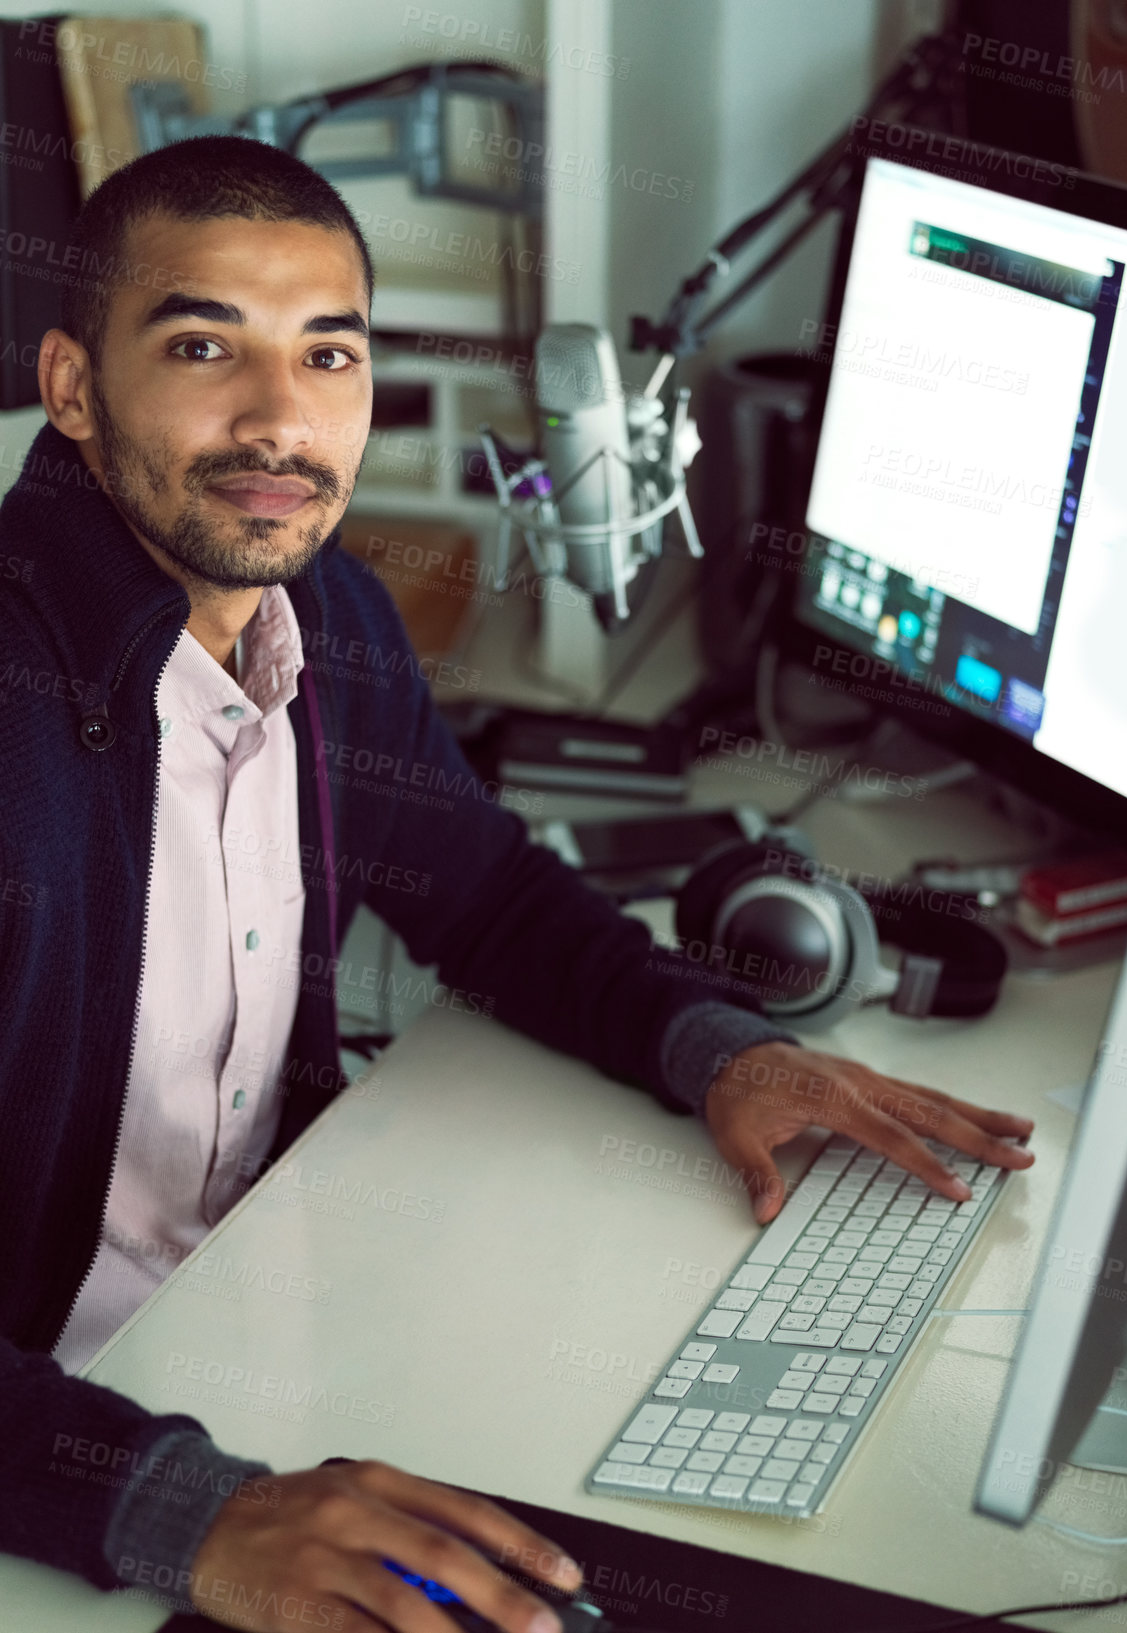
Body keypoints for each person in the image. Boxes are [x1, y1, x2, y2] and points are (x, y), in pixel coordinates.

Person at [0, 135, 1034, 1632]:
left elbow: (486, 894)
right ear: (76, 387)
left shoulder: (318, 616)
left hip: (251, 1338)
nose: (281, 418)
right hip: (66, 1470)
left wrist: (724, 1049)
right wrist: (180, 1504)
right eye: (204, 343)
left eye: (330, 354)